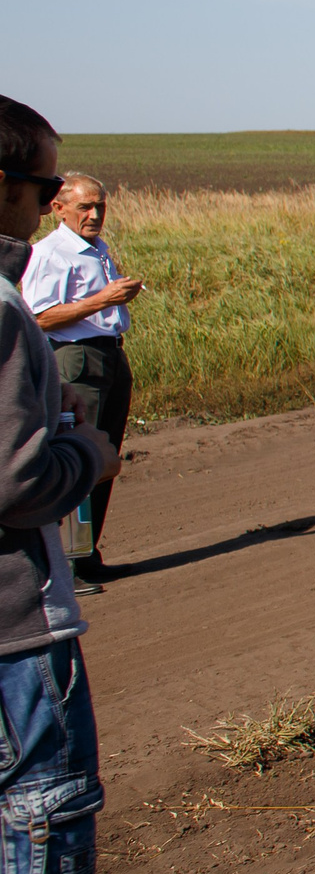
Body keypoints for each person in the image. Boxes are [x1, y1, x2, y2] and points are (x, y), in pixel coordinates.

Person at [0, 94, 117, 874]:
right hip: (15, 631)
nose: (49, 205)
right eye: (43, 186)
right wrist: (84, 448)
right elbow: (19, 480)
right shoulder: (2, 311)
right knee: (42, 836)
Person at [21, 173, 141, 595]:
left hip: (109, 353)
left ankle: (86, 555)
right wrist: (103, 300)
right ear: (58, 208)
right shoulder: (50, 253)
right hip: (75, 358)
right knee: (78, 454)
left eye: (100, 206)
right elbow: (39, 317)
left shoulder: (96, 248)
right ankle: (65, 564)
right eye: (84, 207)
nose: (94, 214)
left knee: (104, 455)